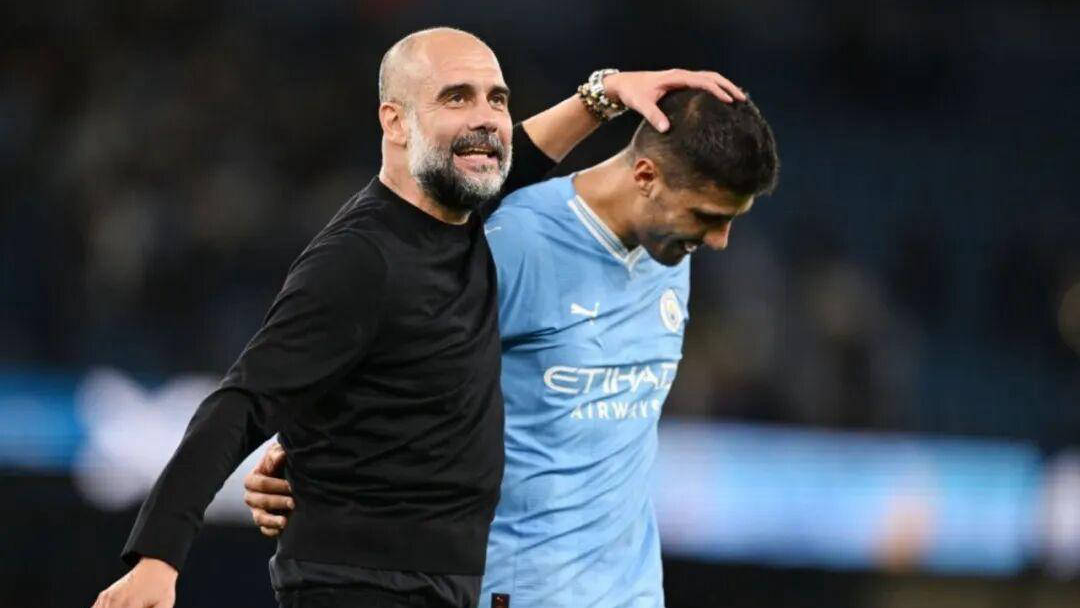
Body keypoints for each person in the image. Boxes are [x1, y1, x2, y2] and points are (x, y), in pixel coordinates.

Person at [92, 25, 744, 608]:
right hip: (360, 586)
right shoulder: (359, 259)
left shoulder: (457, 220)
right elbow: (239, 404)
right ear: (396, 122)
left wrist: (604, 94)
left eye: (497, 99)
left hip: (437, 584)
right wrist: (157, 557)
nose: (486, 117)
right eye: (456, 97)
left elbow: (513, 158)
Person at [246, 87, 780, 607]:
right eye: (708, 217)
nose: (719, 241)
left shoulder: (669, 250)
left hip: (631, 590)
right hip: (514, 586)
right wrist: (302, 458)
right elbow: (385, 356)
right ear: (646, 176)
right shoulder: (519, 242)